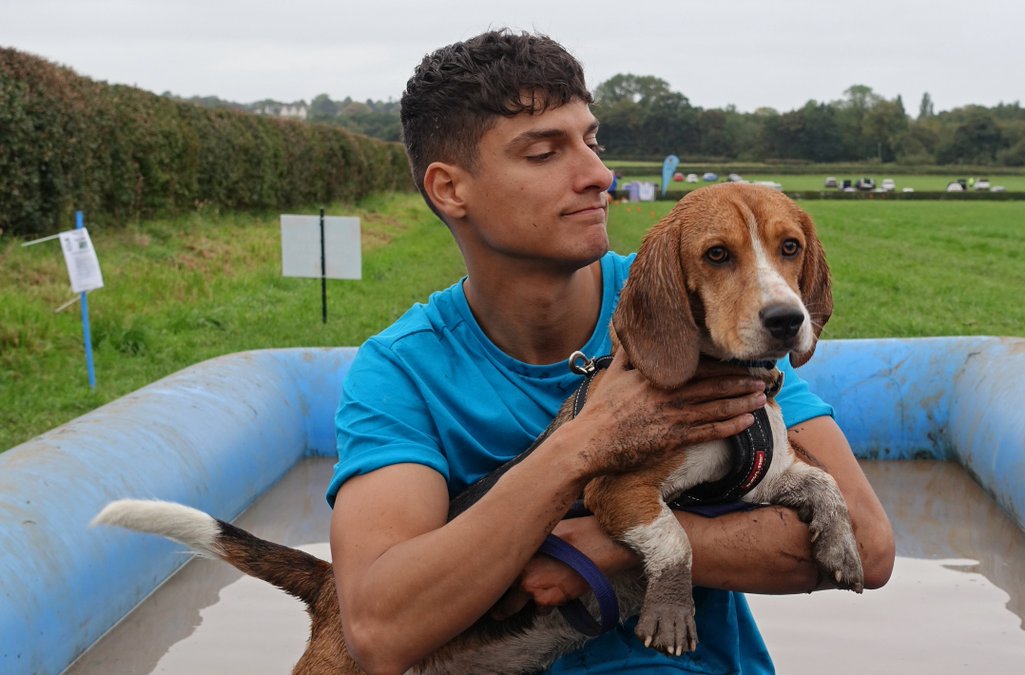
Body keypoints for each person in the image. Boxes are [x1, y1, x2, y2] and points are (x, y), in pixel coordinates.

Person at [327, 29, 894, 674]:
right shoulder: (401, 371)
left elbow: (868, 546)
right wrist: (586, 445)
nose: (598, 175)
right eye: (546, 152)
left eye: (592, 142)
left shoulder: (701, 302)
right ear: (451, 189)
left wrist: (607, 543)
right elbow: (379, 627)